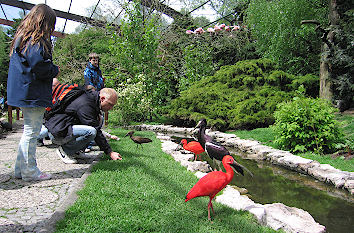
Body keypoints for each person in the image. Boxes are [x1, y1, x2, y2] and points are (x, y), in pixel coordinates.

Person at [7, 4, 59, 181]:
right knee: (32, 131)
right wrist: (54, 69)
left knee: (28, 131)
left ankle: (20, 170)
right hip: (33, 92)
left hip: (23, 91)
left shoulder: (22, 38)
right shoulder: (36, 41)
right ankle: (30, 171)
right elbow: (39, 66)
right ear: (45, 22)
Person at [44, 88, 122, 163]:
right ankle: (64, 150)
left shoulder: (91, 100)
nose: (111, 108)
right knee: (91, 131)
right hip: (59, 132)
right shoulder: (86, 104)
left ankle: (75, 151)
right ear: (102, 98)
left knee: (94, 126)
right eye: (110, 104)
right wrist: (110, 152)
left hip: (65, 128)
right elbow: (95, 129)